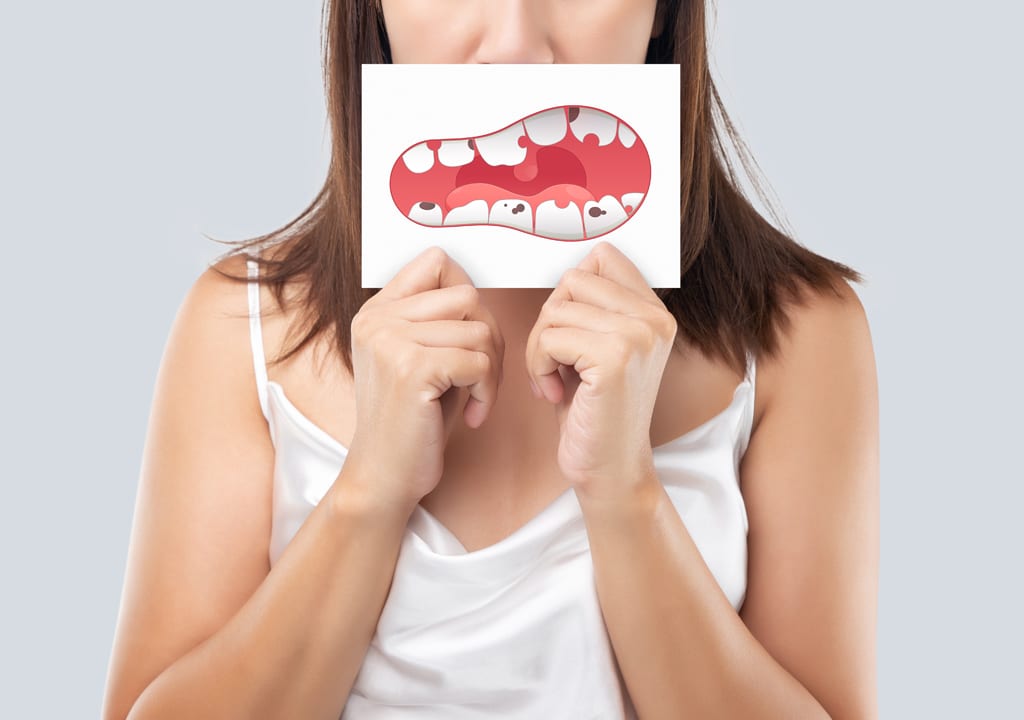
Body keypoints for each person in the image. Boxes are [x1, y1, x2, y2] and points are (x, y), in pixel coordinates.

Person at [102, 1, 879, 718]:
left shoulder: (799, 336)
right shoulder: (241, 327)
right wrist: (370, 489)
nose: (514, 47)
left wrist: (624, 494)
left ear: (663, 11)